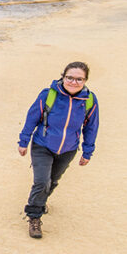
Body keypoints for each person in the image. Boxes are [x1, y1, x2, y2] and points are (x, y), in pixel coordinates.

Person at [17, 62, 99, 239]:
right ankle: (34, 216)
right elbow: (32, 117)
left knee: (53, 181)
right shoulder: (48, 95)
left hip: (68, 149)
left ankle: (40, 202)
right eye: (70, 77)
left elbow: (91, 127)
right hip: (42, 145)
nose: (74, 82)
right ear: (63, 76)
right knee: (42, 182)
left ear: (85, 80)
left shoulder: (89, 100)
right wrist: (23, 141)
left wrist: (87, 152)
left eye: (79, 79)